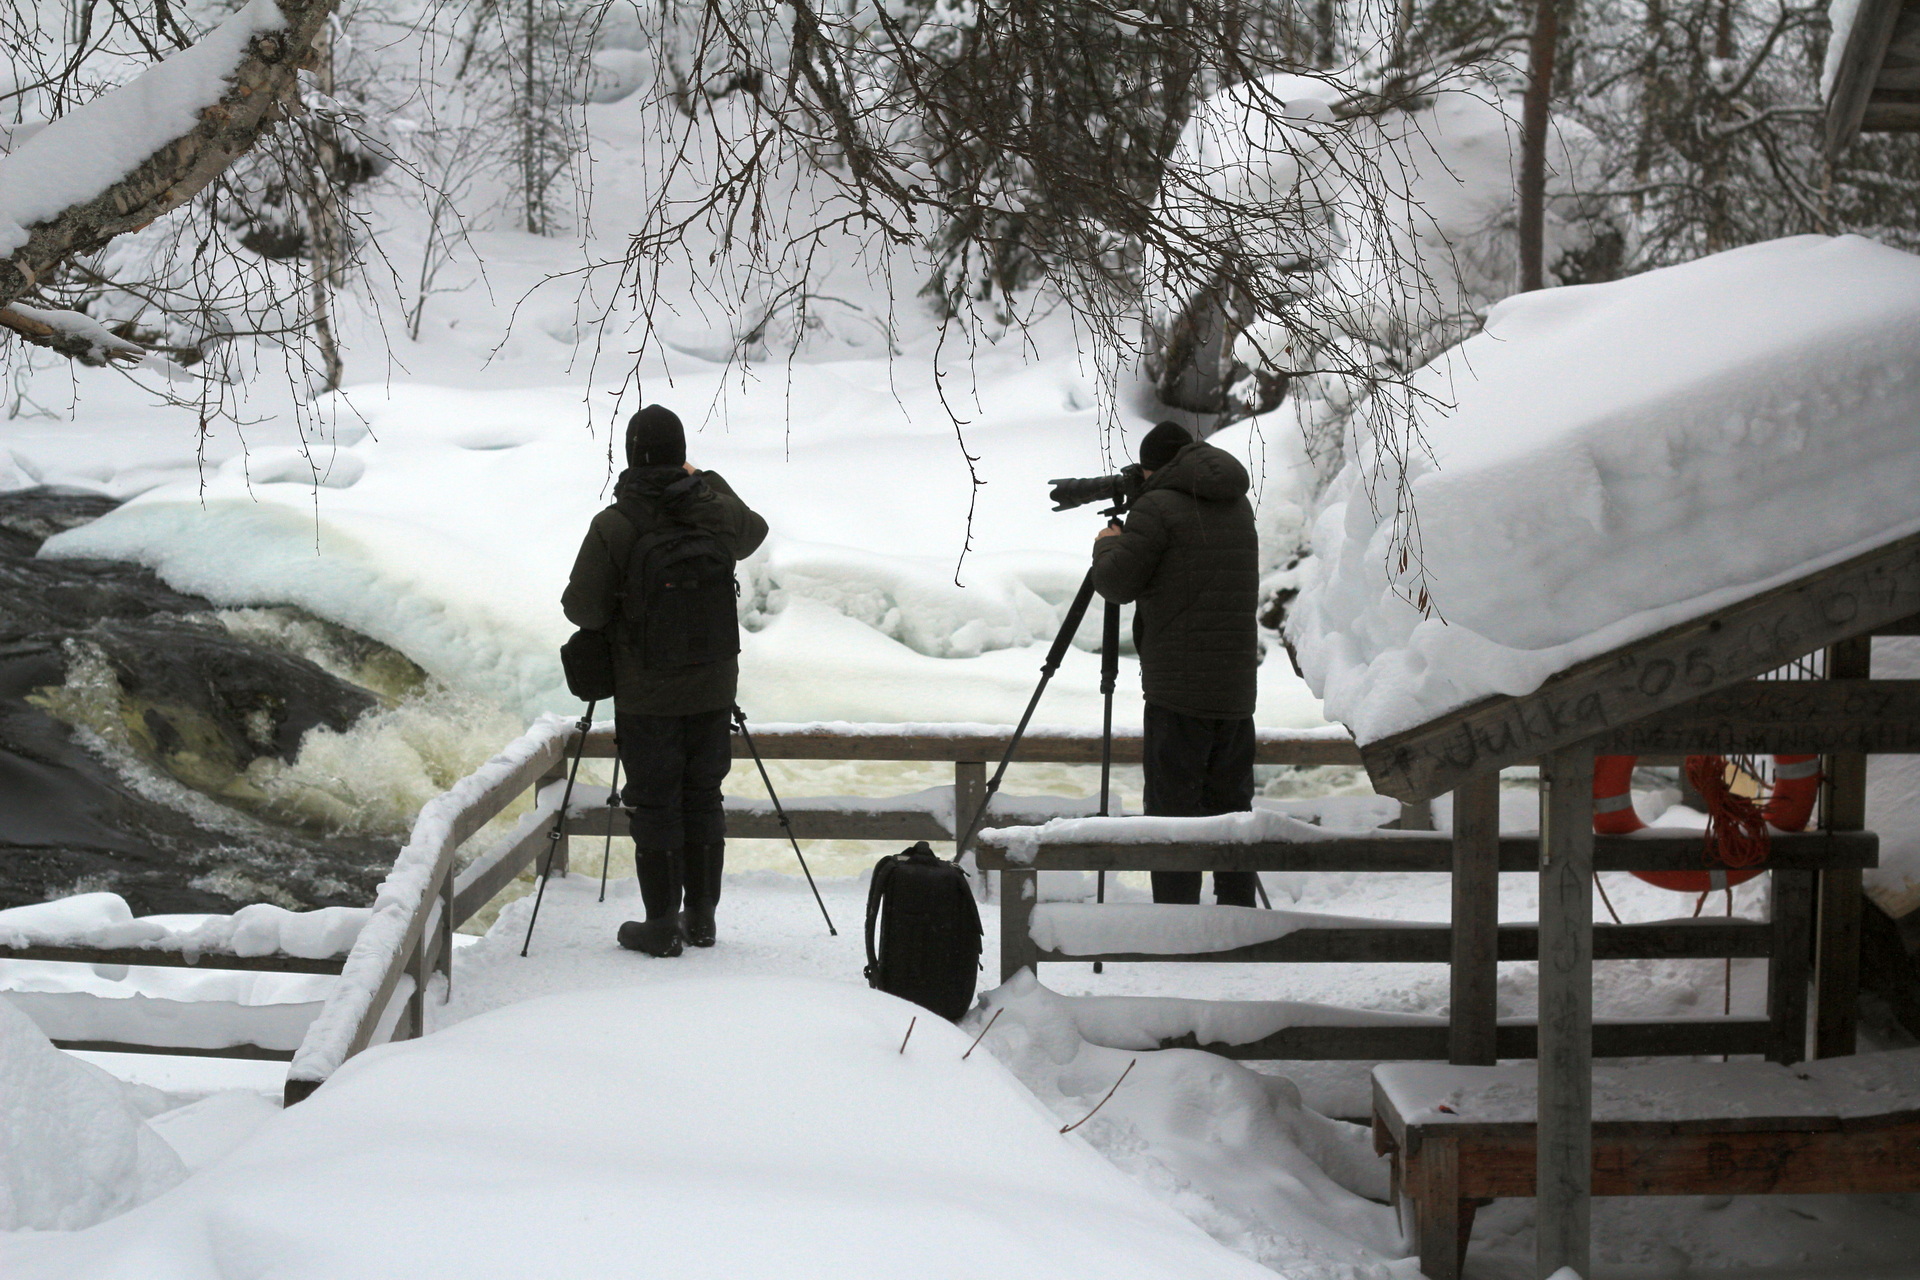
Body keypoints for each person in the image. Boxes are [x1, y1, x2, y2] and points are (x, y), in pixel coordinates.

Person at [562, 405, 768, 956]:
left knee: (654, 803)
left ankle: (660, 927)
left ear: (631, 454)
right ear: (682, 455)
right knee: (703, 795)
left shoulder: (616, 524)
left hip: (647, 690)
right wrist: (704, 482)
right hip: (713, 683)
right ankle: (702, 920)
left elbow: (582, 608)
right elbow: (755, 531)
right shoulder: (712, 512)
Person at [1090, 420, 1261, 907]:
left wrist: (1108, 543)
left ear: (1152, 469)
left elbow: (1117, 584)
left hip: (1178, 691)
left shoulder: (1157, 508)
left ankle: (1177, 920)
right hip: (1234, 690)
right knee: (1231, 811)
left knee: (1171, 813)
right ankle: (1238, 918)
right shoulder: (1235, 502)